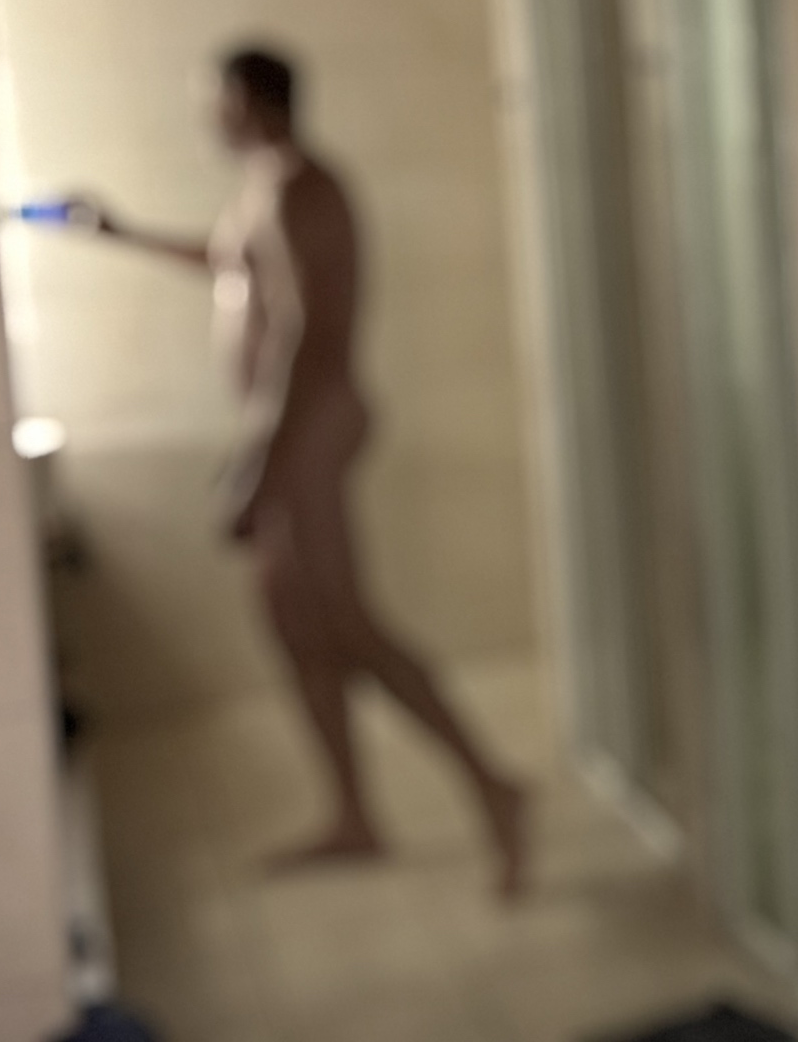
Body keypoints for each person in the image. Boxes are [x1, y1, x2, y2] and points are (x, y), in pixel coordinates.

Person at [79, 47, 527, 898]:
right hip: (286, 433)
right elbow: (230, 263)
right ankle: (354, 816)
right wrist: (119, 232)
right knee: (296, 629)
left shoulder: (302, 189)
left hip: (306, 433)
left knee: (349, 626)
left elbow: (307, 336)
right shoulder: (263, 189)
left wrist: (261, 465)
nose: (208, 117)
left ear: (252, 99)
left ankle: (495, 789)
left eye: (216, 101)